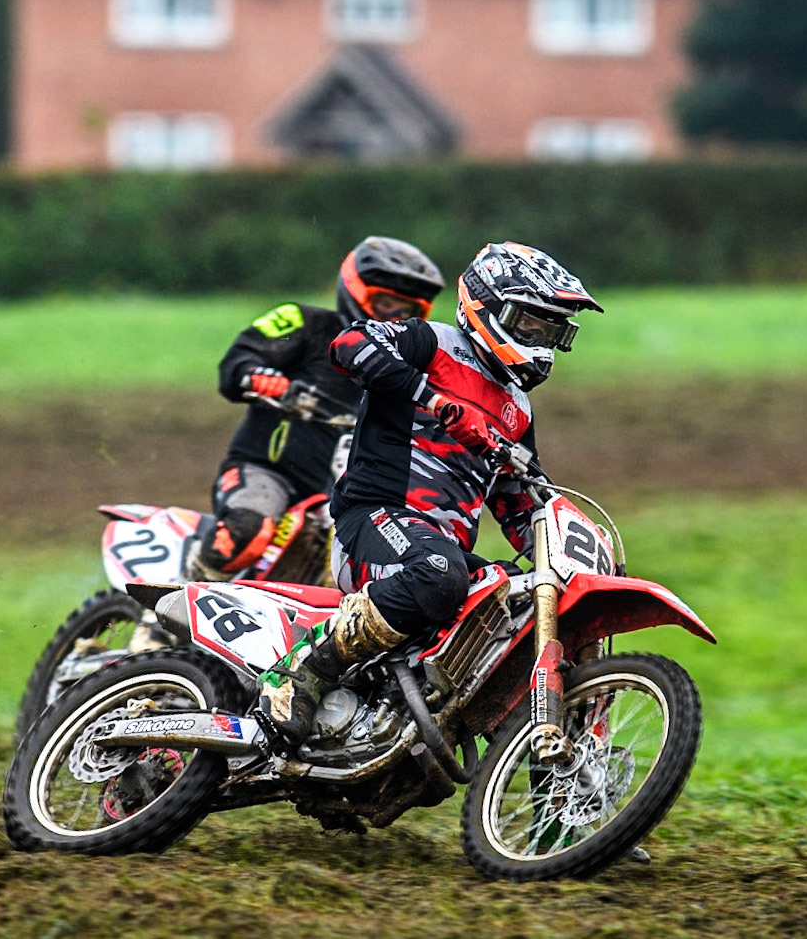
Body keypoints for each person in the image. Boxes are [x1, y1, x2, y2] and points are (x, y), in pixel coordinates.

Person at [257, 242, 601, 745]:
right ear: (486, 306)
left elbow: (519, 502)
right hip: (375, 519)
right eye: (528, 323)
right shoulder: (430, 342)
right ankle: (301, 672)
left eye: (549, 330)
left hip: (442, 549)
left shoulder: (517, 409)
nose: (538, 339)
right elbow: (349, 343)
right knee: (439, 572)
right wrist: (433, 399)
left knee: (518, 596)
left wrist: (573, 564)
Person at [188, 237, 445, 581]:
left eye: (407, 311)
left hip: (348, 491)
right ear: (356, 290)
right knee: (247, 531)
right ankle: (162, 614)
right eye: (386, 304)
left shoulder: (411, 366)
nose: (395, 317)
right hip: (267, 473)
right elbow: (238, 361)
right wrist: (262, 377)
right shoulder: (303, 321)